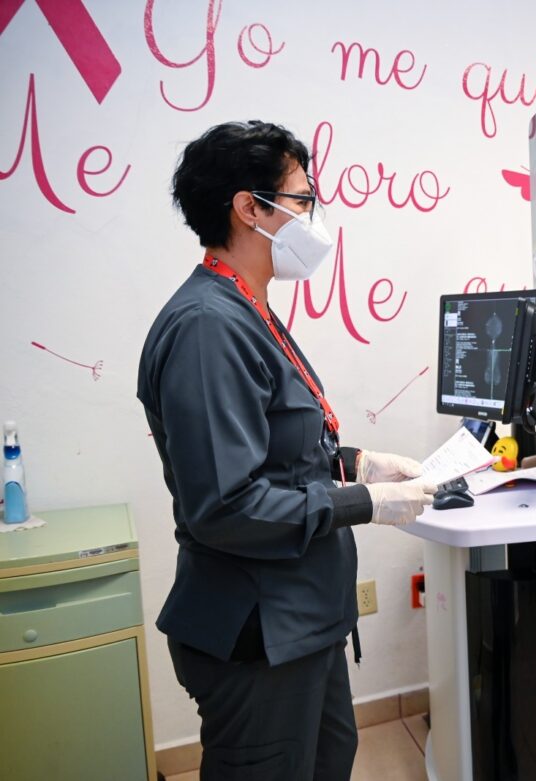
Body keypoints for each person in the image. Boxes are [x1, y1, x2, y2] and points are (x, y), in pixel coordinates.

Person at [137, 120, 436, 781]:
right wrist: (365, 501)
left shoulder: (247, 308)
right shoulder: (207, 328)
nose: (313, 217)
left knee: (328, 756)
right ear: (250, 208)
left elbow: (279, 447)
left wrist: (356, 462)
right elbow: (227, 505)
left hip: (303, 620)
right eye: (303, 199)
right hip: (259, 631)